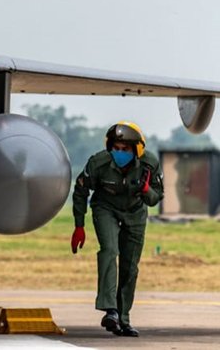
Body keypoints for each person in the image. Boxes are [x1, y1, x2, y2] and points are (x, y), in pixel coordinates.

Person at [71, 121, 163, 337]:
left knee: (130, 266)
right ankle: (110, 309)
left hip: (135, 212)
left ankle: (123, 319)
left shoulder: (149, 164)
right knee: (109, 251)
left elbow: (156, 198)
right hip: (106, 208)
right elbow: (81, 190)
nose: (119, 153)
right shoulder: (99, 163)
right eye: (116, 148)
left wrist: (147, 190)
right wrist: (79, 226)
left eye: (125, 149)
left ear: (137, 150)